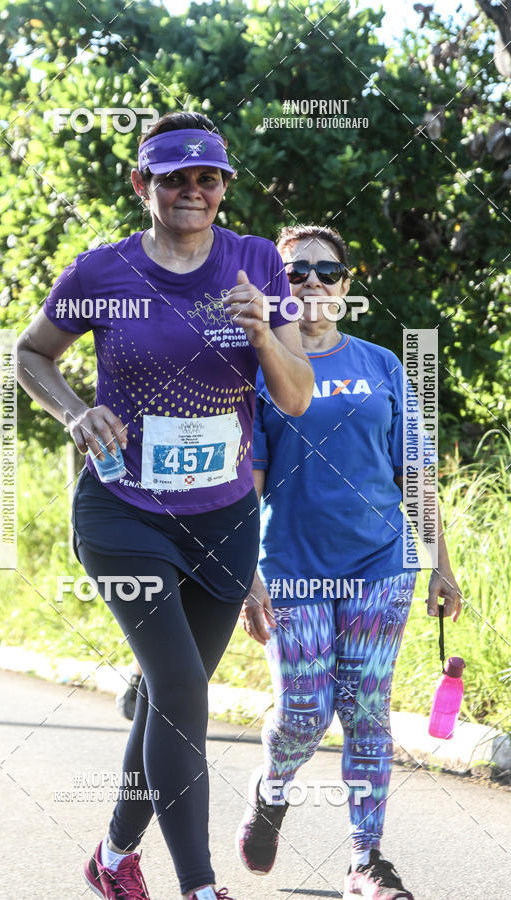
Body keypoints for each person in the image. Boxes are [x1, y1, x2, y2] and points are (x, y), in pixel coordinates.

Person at [16, 112, 314, 900]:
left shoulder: (255, 263)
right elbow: (29, 353)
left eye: (207, 178)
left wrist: (262, 336)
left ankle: (113, 857)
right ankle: (201, 887)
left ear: (223, 187)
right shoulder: (102, 273)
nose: (193, 191)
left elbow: (297, 396)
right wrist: (74, 411)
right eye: (174, 178)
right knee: (183, 695)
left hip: (221, 519)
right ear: (143, 184)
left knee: (163, 699)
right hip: (124, 512)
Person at [236, 224, 462, 900]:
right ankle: (272, 791)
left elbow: (415, 472)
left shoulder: (383, 365)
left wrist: (441, 566)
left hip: (380, 565)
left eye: (326, 271)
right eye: (295, 271)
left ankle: (367, 860)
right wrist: (247, 577)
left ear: (346, 283)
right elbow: (244, 485)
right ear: (277, 283)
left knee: (367, 707)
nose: (311, 282)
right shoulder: (259, 369)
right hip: (293, 566)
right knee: (303, 710)